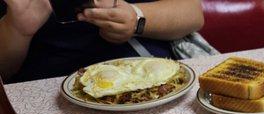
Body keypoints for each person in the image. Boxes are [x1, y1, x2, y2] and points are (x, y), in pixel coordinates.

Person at [0, 0, 204, 82]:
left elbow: (193, 14)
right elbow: (5, 70)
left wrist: (136, 18)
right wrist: (17, 28)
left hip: (154, 77)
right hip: (45, 91)